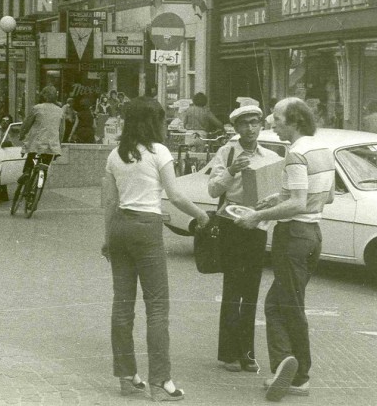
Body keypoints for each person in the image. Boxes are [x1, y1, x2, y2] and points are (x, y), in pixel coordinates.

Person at [101, 96, 210, 401]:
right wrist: (201, 215)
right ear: (154, 122)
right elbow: (174, 196)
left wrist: (107, 238)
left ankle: (126, 376)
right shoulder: (159, 152)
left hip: (119, 227)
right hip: (146, 229)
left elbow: (109, 202)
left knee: (122, 305)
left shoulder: (115, 155)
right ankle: (160, 381)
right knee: (157, 307)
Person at [233, 97, 335, 402]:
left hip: (292, 235)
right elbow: (326, 196)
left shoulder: (295, 154)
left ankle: (299, 375)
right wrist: (278, 197)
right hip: (313, 234)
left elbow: (298, 203)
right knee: (278, 305)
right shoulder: (323, 149)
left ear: (294, 121)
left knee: (289, 307)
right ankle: (284, 367)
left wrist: (257, 215)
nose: (271, 123)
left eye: (276, 118)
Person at [207, 105, 272, 374]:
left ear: (261, 125)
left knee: (252, 289)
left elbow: (273, 191)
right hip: (231, 223)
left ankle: (247, 353)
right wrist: (231, 170)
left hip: (255, 224)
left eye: (255, 122)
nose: (250, 128)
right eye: (244, 124)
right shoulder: (226, 152)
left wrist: (265, 215)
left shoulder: (269, 155)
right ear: (235, 128)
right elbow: (212, 190)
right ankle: (229, 354)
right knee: (233, 288)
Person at [18, 85, 64, 183]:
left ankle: (26, 172)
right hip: (52, 145)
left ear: (44, 96)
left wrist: (21, 135)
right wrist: (59, 144)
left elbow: (26, 125)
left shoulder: (37, 108)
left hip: (37, 143)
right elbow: (61, 131)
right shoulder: (60, 111)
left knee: (31, 157)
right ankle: (40, 184)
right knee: (45, 165)